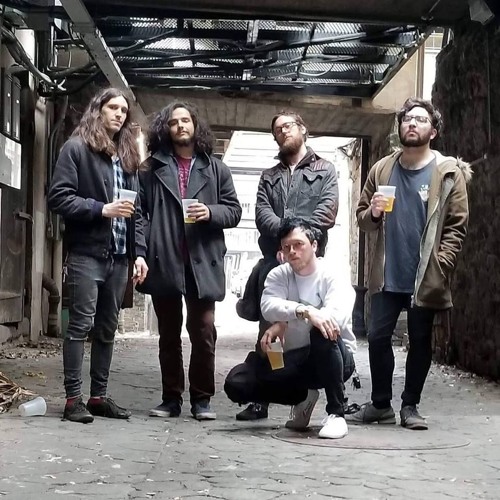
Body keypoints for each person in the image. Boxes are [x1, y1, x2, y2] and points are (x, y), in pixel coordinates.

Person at [347, 97, 471, 430]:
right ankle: (381, 404)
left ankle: (410, 406)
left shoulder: (448, 172)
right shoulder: (382, 169)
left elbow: (457, 225)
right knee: (376, 337)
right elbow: (363, 219)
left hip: (425, 274)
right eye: (407, 119)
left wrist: (442, 263)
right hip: (387, 272)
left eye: (420, 119)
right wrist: (373, 212)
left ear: (433, 131)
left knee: (420, 341)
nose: (412, 124)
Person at [48, 87, 148, 424]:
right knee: (79, 326)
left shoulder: (128, 158)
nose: (119, 114)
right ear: (98, 110)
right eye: (113, 108)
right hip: (87, 253)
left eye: (124, 110)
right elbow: (59, 197)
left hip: (119, 258)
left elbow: (137, 213)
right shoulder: (76, 148)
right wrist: (101, 208)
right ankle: (72, 400)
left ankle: (98, 397)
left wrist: (139, 254)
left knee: (107, 329)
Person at [136, 101, 242, 421]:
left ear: (195, 125)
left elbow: (234, 211)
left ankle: (202, 399)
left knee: (204, 331)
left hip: (202, 260)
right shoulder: (150, 168)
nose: (180, 126)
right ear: (165, 129)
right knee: (168, 334)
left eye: (185, 120)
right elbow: (140, 215)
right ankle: (171, 399)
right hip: (164, 258)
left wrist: (210, 212)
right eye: (173, 122)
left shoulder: (216, 169)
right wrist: (140, 251)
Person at [236, 110, 339, 421]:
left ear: (303, 129)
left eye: (288, 126)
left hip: (310, 262)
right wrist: (284, 245)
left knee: (313, 324)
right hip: (273, 260)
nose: (283, 132)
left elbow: (326, 212)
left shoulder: (325, 169)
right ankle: (266, 394)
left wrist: (296, 244)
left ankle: (308, 388)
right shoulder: (269, 176)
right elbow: (262, 213)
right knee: (270, 329)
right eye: (277, 130)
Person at [225, 217, 356, 439]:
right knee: (238, 382)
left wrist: (291, 319)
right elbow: (268, 305)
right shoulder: (279, 274)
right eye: (286, 247)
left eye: (298, 245)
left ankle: (336, 413)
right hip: (295, 359)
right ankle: (304, 397)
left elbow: (336, 318)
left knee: (323, 330)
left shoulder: (332, 274)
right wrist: (300, 314)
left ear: (314, 245)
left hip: (337, 358)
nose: (292, 251)